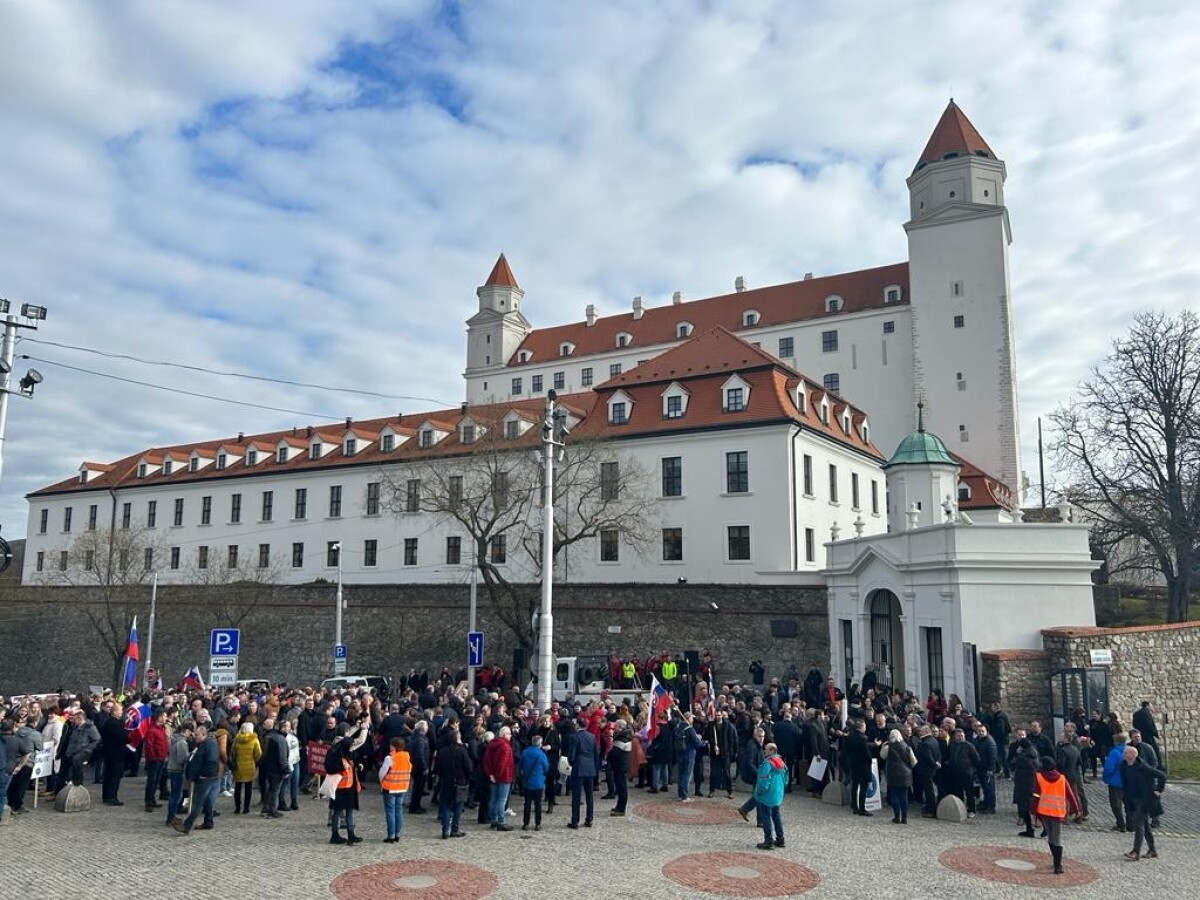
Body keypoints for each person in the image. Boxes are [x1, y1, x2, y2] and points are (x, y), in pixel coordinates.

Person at [1031, 755, 1082, 875]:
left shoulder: (1039, 777)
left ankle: (1055, 859)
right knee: (1057, 838)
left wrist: (1033, 811)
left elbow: (1036, 795)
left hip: (1044, 811)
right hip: (1057, 812)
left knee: (1050, 836)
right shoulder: (1062, 778)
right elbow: (1070, 795)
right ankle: (1058, 865)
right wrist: (1077, 809)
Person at [1120, 744, 1166, 861]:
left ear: (1132, 755)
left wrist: (1158, 790)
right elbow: (1126, 784)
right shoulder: (1124, 766)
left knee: (1138, 823)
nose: (1123, 754)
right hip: (1133, 799)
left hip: (1145, 800)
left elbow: (1161, 775)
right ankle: (1152, 850)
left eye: (1126, 752)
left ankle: (1136, 851)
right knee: (1145, 825)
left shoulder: (1143, 767)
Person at [174, 723, 219, 835]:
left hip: (205, 778)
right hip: (199, 777)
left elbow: (212, 761)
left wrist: (204, 774)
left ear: (204, 734)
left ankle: (187, 825)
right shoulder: (200, 744)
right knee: (207, 800)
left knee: (197, 802)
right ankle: (208, 822)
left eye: (197, 735)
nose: (195, 736)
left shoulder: (209, 745)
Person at [330, 724, 367, 845]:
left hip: (349, 787)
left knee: (349, 811)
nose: (352, 747)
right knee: (338, 812)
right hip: (340, 787)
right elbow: (333, 768)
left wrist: (357, 765)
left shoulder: (348, 754)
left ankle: (351, 834)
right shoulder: (338, 755)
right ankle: (335, 834)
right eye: (351, 746)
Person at [435, 726, 472, 839]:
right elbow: (468, 767)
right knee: (458, 806)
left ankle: (445, 830)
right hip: (460, 781)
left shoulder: (442, 752)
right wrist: (467, 778)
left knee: (446, 806)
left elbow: (438, 768)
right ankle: (455, 829)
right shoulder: (462, 751)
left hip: (446, 781)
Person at [754, 742, 787, 850]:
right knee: (776, 816)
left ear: (772, 751)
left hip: (768, 795)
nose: (764, 751)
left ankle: (768, 841)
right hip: (777, 794)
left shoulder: (767, 764)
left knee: (766, 817)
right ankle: (780, 839)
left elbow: (764, 780)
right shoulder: (781, 762)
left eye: (766, 749)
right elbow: (786, 778)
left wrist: (759, 791)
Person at [567, 718, 599, 829]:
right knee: (589, 796)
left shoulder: (574, 737)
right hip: (589, 768)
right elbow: (596, 753)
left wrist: (571, 763)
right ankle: (589, 819)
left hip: (578, 768)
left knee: (576, 796)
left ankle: (575, 821)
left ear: (577, 725)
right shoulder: (592, 736)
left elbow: (571, 755)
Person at [378, 736, 412, 842]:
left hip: (390, 787)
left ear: (394, 746)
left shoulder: (390, 758)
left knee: (390, 812)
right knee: (398, 810)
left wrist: (381, 782)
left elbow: (382, 773)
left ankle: (391, 835)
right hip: (402, 786)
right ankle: (398, 834)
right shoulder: (407, 757)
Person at [483, 724, 516, 832]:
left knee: (493, 799)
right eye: (509, 734)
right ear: (504, 734)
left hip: (493, 776)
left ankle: (493, 820)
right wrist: (496, 776)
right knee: (502, 800)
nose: (511, 736)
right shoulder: (505, 746)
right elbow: (502, 764)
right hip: (504, 776)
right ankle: (501, 822)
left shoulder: (491, 744)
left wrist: (491, 774)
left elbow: (486, 761)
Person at [880, 728, 916, 824]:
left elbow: (882, 756)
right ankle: (904, 818)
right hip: (905, 774)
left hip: (893, 773)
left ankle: (897, 817)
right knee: (904, 796)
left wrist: (883, 746)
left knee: (894, 795)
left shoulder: (888, 747)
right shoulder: (907, 747)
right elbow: (914, 761)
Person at [518, 733, 550, 831]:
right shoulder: (542, 754)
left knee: (527, 803)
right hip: (538, 782)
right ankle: (537, 823)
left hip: (528, 782)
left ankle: (526, 823)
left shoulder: (525, 752)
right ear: (540, 744)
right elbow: (546, 767)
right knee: (538, 804)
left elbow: (521, 765)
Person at [260, 720, 289, 819]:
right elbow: (282, 757)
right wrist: (285, 769)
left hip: (269, 767)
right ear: (283, 728)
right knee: (275, 790)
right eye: (288, 727)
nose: (289, 729)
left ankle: (266, 808)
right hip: (276, 769)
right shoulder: (281, 739)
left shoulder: (272, 736)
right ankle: (272, 810)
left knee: (270, 788)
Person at [165, 721, 192, 827]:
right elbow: (182, 759)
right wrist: (190, 755)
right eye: (190, 732)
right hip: (177, 770)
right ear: (186, 731)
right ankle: (171, 817)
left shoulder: (173, 739)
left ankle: (171, 816)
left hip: (171, 768)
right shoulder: (182, 742)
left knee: (174, 794)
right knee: (176, 795)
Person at [231, 721, 262, 814]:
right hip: (249, 766)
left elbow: (233, 752)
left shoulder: (236, 739)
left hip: (238, 765)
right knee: (248, 788)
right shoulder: (254, 740)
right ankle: (246, 808)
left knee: (238, 787)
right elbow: (258, 753)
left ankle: (237, 808)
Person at [1012, 738, 1040, 837]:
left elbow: (1013, 765)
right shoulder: (1034, 753)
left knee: (1024, 807)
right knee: (1033, 805)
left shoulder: (1022, 757)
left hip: (1023, 784)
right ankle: (1042, 827)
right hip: (1033, 782)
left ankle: (1029, 829)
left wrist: (1016, 755)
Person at [674, 712, 704, 803]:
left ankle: (680, 794)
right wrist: (701, 741)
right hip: (689, 754)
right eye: (691, 718)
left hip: (679, 754)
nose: (693, 719)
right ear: (688, 718)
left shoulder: (678, 727)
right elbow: (697, 743)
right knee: (686, 775)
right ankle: (685, 796)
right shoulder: (690, 728)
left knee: (680, 775)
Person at [845, 719, 873, 816]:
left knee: (854, 786)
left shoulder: (850, 736)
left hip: (853, 765)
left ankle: (854, 806)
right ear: (861, 727)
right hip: (863, 766)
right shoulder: (862, 738)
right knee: (863, 787)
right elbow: (866, 753)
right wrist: (870, 761)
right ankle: (862, 808)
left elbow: (847, 751)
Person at [142, 710, 168, 812]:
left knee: (156, 780)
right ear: (159, 717)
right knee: (152, 781)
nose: (165, 718)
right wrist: (153, 758)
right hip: (154, 759)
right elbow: (149, 746)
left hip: (161, 758)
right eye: (164, 716)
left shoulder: (161, 728)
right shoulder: (152, 730)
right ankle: (148, 801)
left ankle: (152, 799)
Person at [1102, 732, 1129, 832]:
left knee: (1116, 804)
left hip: (1115, 782)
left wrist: (1105, 778)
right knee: (1126, 803)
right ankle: (1129, 823)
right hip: (1126, 781)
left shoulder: (1114, 752)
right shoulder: (1128, 751)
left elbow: (1109, 768)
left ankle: (1121, 824)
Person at [608, 722, 631, 816]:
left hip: (621, 766)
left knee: (622, 788)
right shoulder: (623, 737)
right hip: (620, 765)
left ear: (620, 727)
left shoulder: (622, 739)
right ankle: (619, 806)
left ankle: (621, 809)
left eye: (616, 726)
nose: (614, 728)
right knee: (620, 787)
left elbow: (614, 753)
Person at [407, 720, 430, 814]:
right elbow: (420, 755)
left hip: (415, 766)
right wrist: (424, 767)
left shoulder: (415, 737)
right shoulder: (420, 739)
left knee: (417, 787)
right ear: (423, 728)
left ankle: (415, 805)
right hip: (419, 767)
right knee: (418, 788)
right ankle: (415, 807)